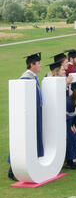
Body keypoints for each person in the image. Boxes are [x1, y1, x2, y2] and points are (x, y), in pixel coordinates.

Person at [8, 52, 44, 181]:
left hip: (35, 113)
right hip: (28, 116)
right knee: (23, 141)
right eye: (38, 63)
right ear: (31, 64)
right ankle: (13, 169)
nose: (41, 66)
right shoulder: (25, 79)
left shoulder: (33, 78)